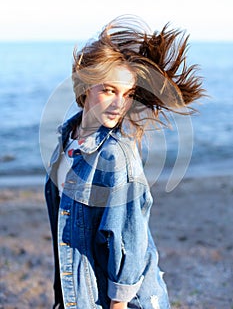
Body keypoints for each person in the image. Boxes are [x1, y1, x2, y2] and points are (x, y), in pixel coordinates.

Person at [44, 15, 204, 309]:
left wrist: (118, 305)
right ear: (85, 87)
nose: (120, 104)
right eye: (109, 90)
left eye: (128, 94)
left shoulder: (115, 155)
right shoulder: (67, 140)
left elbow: (128, 241)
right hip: (81, 292)